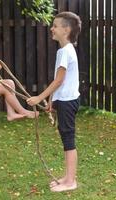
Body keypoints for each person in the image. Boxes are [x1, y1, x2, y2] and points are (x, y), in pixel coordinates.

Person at [27, 11, 81, 192]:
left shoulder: (64, 51)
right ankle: (67, 177)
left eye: (55, 26)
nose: (52, 28)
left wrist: (39, 98)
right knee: (66, 139)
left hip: (68, 102)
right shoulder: (67, 50)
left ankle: (70, 181)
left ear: (66, 30)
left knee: (68, 140)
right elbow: (62, 81)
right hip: (65, 100)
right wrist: (52, 101)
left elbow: (59, 80)